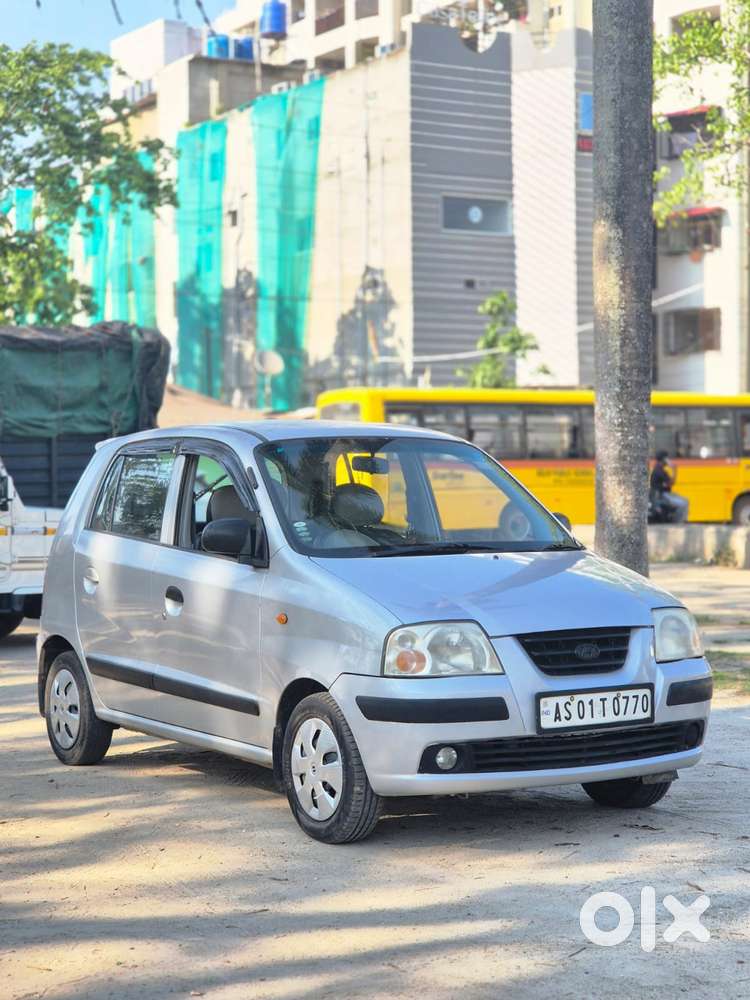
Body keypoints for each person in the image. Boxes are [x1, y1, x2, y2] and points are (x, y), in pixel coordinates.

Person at [650, 450, 689, 523]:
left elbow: (669, 483)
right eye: (667, 459)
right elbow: (671, 482)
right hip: (661, 495)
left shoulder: (658, 469)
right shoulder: (659, 471)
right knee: (683, 503)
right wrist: (674, 470)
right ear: (664, 459)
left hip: (663, 494)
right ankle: (678, 522)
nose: (669, 460)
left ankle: (680, 521)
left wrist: (667, 484)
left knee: (685, 501)